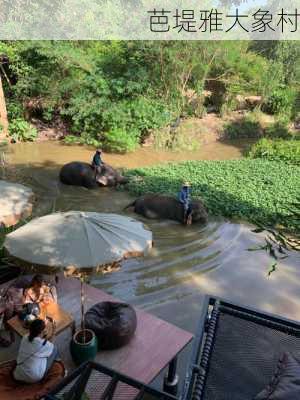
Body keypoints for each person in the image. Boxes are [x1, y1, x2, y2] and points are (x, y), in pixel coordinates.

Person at [14, 318, 59, 383]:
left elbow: (39, 342)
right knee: (55, 349)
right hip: (34, 377)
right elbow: (51, 345)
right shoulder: (41, 344)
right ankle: (58, 364)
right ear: (41, 332)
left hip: (19, 373)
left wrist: (42, 332)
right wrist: (54, 330)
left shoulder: (25, 337)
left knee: (41, 353)